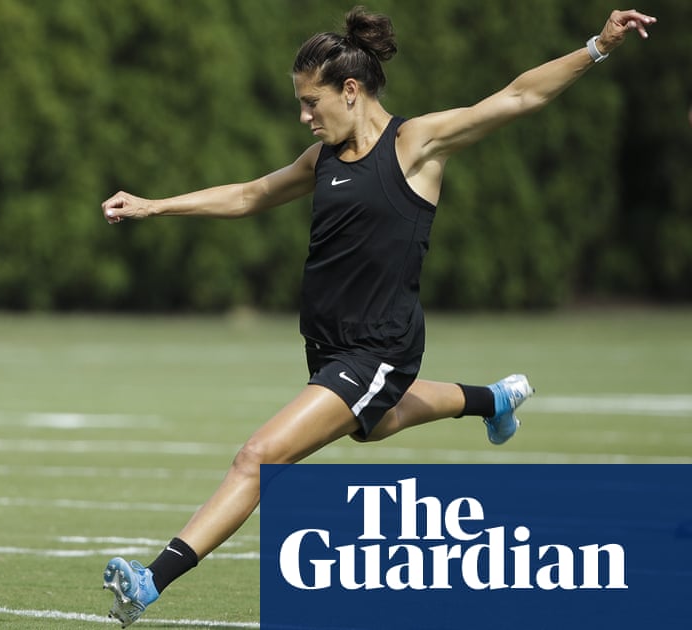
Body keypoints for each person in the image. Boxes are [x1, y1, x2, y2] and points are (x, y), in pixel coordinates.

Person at [98, 7, 655, 627]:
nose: (304, 117)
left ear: (351, 91)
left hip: (378, 346)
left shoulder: (414, 144)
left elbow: (519, 96)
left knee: (259, 457)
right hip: (330, 346)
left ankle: (152, 580)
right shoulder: (322, 161)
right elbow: (251, 194)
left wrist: (597, 47)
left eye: (312, 103)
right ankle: (491, 401)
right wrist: (154, 206)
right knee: (377, 423)